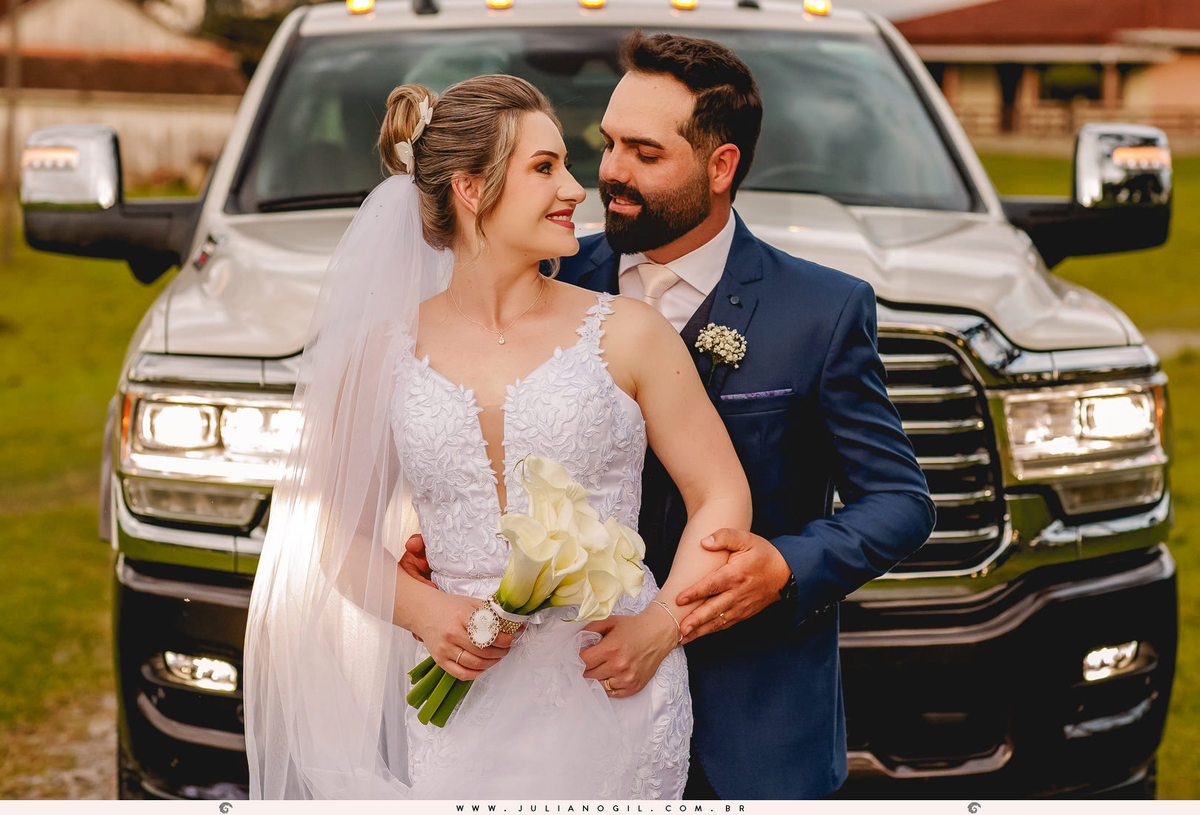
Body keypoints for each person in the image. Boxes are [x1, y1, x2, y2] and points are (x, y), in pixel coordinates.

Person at [243, 74, 751, 799]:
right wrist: (424, 610)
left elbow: (721, 493)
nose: (578, 189)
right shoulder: (384, 349)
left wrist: (662, 624)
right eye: (544, 168)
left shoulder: (628, 333)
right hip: (463, 705)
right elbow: (329, 529)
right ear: (471, 189)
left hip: (612, 686)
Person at [558, 33, 937, 799]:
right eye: (607, 145)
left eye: (644, 152)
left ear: (721, 165)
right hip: (572, 704)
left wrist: (787, 567)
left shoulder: (822, 311)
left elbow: (900, 502)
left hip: (758, 729)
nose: (609, 174)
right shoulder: (554, 276)